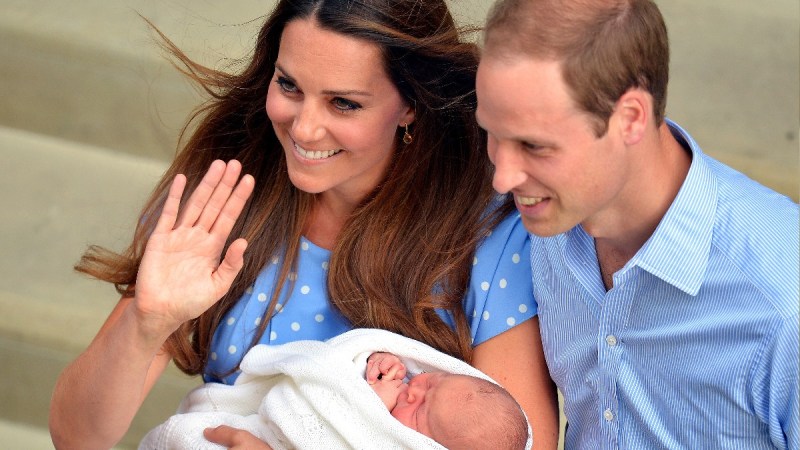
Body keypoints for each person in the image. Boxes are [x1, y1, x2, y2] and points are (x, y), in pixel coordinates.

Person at [49, 1, 559, 449]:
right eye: (289, 85)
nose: (305, 128)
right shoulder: (226, 198)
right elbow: (77, 438)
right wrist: (146, 324)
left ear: (410, 105)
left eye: (344, 103)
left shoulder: (489, 239)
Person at [476, 0, 799, 448]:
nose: (503, 177)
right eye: (492, 133)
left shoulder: (782, 303)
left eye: (535, 146)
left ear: (630, 118)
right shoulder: (541, 222)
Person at [140, 329, 530, 450]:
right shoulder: (397, 383)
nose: (413, 390)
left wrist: (370, 403)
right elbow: (332, 379)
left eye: (421, 411)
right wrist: (373, 362)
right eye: (431, 382)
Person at [368, 352, 528, 450]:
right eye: (429, 383)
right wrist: (381, 362)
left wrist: (374, 404)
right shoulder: (406, 382)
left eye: (418, 413)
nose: (412, 391)